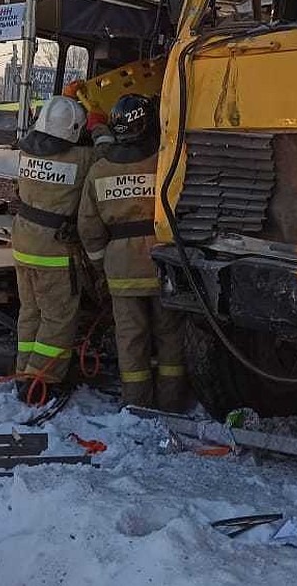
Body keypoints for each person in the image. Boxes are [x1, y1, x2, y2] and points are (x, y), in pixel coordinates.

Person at [78, 95, 188, 411]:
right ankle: (172, 400)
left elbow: (88, 226)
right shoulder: (166, 161)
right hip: (162, 262)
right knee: (170, 335)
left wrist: (100, 265)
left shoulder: (99, 170)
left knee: (130, 338)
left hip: (121, 267)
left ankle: (137, 403)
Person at [12, 97, 94, 400]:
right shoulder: (83, 158)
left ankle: (23, 372)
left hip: (22, 246)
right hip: (54, 253)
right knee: (58, 318)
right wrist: (99, 128)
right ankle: (40, 383)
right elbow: (114, 157)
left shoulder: (25, 153)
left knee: (30, 313)